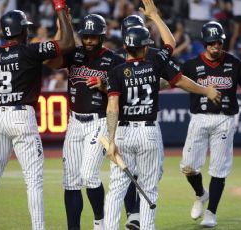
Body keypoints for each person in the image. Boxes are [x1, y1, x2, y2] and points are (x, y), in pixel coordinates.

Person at [0, 2, 74, 229]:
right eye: (25, 27)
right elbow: (66, 43)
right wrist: (60, 9)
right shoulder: (30, 51)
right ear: (21, 31)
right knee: (33, 181)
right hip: (21, 118)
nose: (28, 31)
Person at [104, 26, 221, 230]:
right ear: (146, 48)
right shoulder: (155, 63)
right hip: (148, 132)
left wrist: (111, 140)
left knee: (116, 189)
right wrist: (205, 91)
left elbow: (112, 107)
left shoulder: (114, 72)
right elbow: (179, 74)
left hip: (123, 132)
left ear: (125, 47)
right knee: (149, 188)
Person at [179, 21, 241, 228]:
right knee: (188, 167)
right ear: (205, 43)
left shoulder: (233, 63)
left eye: (219, 42)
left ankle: (211, 213)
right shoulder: (190, 65)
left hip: (225, 119)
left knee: (218, 169)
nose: (216, 46)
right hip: (199, 117)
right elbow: (170, 80)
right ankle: (200, 194)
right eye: (212, 42)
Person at [46, 13, 124, 230]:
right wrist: (62, 28)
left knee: (89, 175)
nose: (88, 41)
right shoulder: (74, 54)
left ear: (102, 37)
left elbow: (124, 93)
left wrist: (105, 86)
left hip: (98, 122)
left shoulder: (114, 60)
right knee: (70, 181)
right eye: (85, 36)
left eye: (93, 37)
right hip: (74, 123)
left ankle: (100, 220)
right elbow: (50, 62)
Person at [114, 1, 177, 228]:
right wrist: (156, 17)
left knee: (124, 176)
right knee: (142, 174)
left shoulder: (115, 61)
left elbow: (169, 82)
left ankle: (132, 214)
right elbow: (170, 79)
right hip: (140, 125)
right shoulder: (152, 58)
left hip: (121, 125)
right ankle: (135, 214)